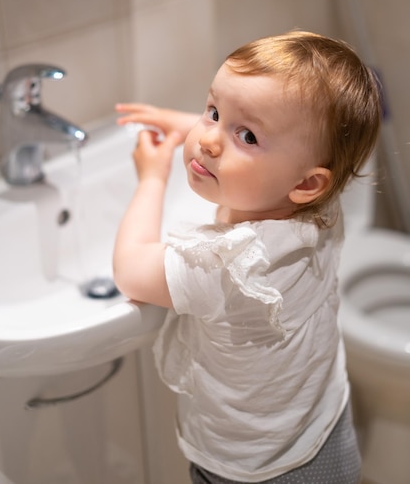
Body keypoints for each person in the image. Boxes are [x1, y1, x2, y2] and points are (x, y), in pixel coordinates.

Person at [113, 30, 381, 484]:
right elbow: (274, 139)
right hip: (323, 425)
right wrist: (202, 127)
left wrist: (152, 178)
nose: (209, 141)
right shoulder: (321, 209)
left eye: (247, 136)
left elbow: (131, 271)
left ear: (308, 183)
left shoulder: (230, 267)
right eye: (213, 111)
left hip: (251, 469)